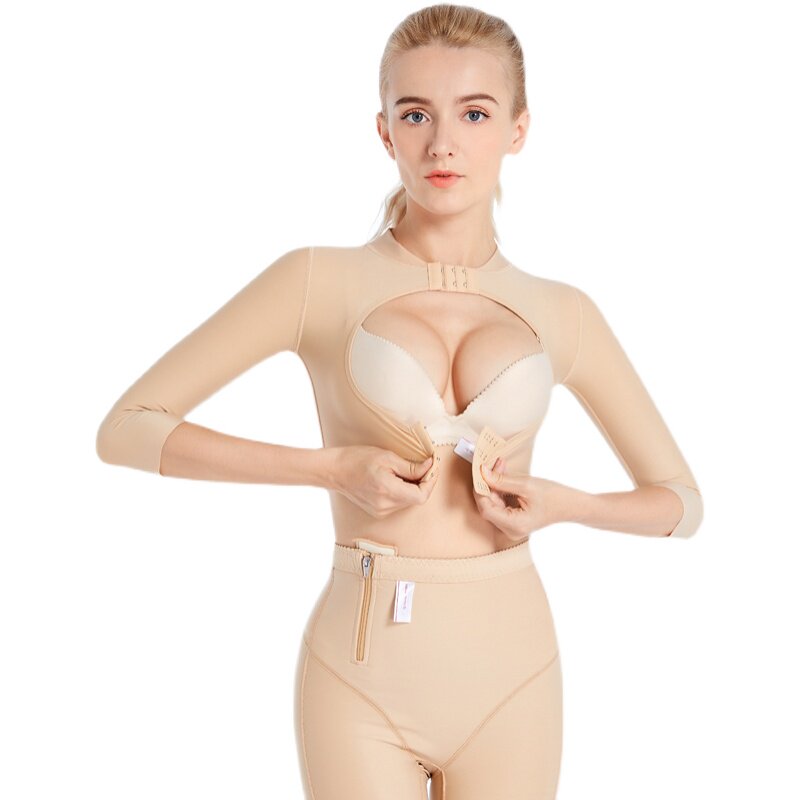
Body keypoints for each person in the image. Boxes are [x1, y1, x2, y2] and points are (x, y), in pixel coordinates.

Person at [96, 4, 703, 798]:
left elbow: (681, 504)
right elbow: (127, 429)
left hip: (515, 676)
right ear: (384, 131)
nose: (442, 144)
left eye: (474, 113)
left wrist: (567, 506)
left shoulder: (565, 313)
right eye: (416, 114)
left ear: (518, 129)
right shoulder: (316, 281)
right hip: (360, 680)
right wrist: (330, 468)